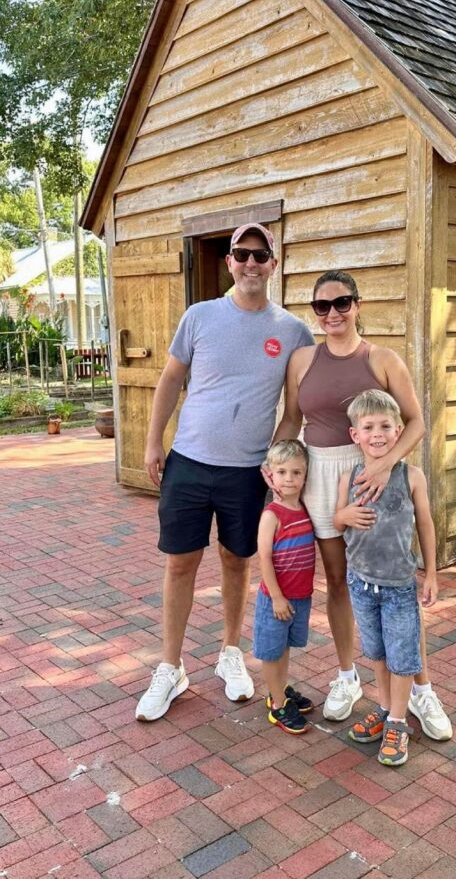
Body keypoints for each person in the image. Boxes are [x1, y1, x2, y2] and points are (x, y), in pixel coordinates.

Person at [136, 224, 314, 722]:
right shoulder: (200, 316)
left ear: (273, 264)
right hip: (189, 463)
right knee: (179, 564)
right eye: (242, 254)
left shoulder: (293, 330)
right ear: (230, 262)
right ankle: (170, 667)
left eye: (261, 255)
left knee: (237, 563)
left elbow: (295, 410)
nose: (251, 263)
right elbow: (171, 378)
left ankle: (230, 653)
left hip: (246, 472)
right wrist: (154, 441)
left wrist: (277, 461)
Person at [271, 270, 452, 740]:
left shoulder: (383, 359)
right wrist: (271, 472)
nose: (332, 313)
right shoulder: (301, 360)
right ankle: (349, 676)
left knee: (394, 579)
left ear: (358, 304)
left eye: (342, 303)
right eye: (322, 306)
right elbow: (292, 419)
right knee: (340, 580)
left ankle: (420, 688)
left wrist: (384, 463)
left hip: (370, 473)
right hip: (320, 476)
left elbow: (415, 423)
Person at [333, 389, 437, 766]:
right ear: (354, 435)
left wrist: (431, 575)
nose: (377, 434)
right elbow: (336, 518)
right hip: (360, 583)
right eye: (369, 427)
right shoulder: (348, 477)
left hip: (399, 586)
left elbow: (425, 525)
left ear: (398, 433)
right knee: (376, 652)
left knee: (403, 657)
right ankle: (383, 706)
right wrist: (343, 517)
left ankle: (398, 721)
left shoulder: (411, 476)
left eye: (386, 427)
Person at [254, 439, 316, 734]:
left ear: (305, 475)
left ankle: (281, 686)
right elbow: (264, 558)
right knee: (271, 650)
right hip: (276, 598)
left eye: (296, 472)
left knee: (285, 646)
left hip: (300, 596)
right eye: (282, 472)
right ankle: (277, 704)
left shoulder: (305, 507)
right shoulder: (272, 515)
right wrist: (277, 597)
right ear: (270, 475)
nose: (289, 479)